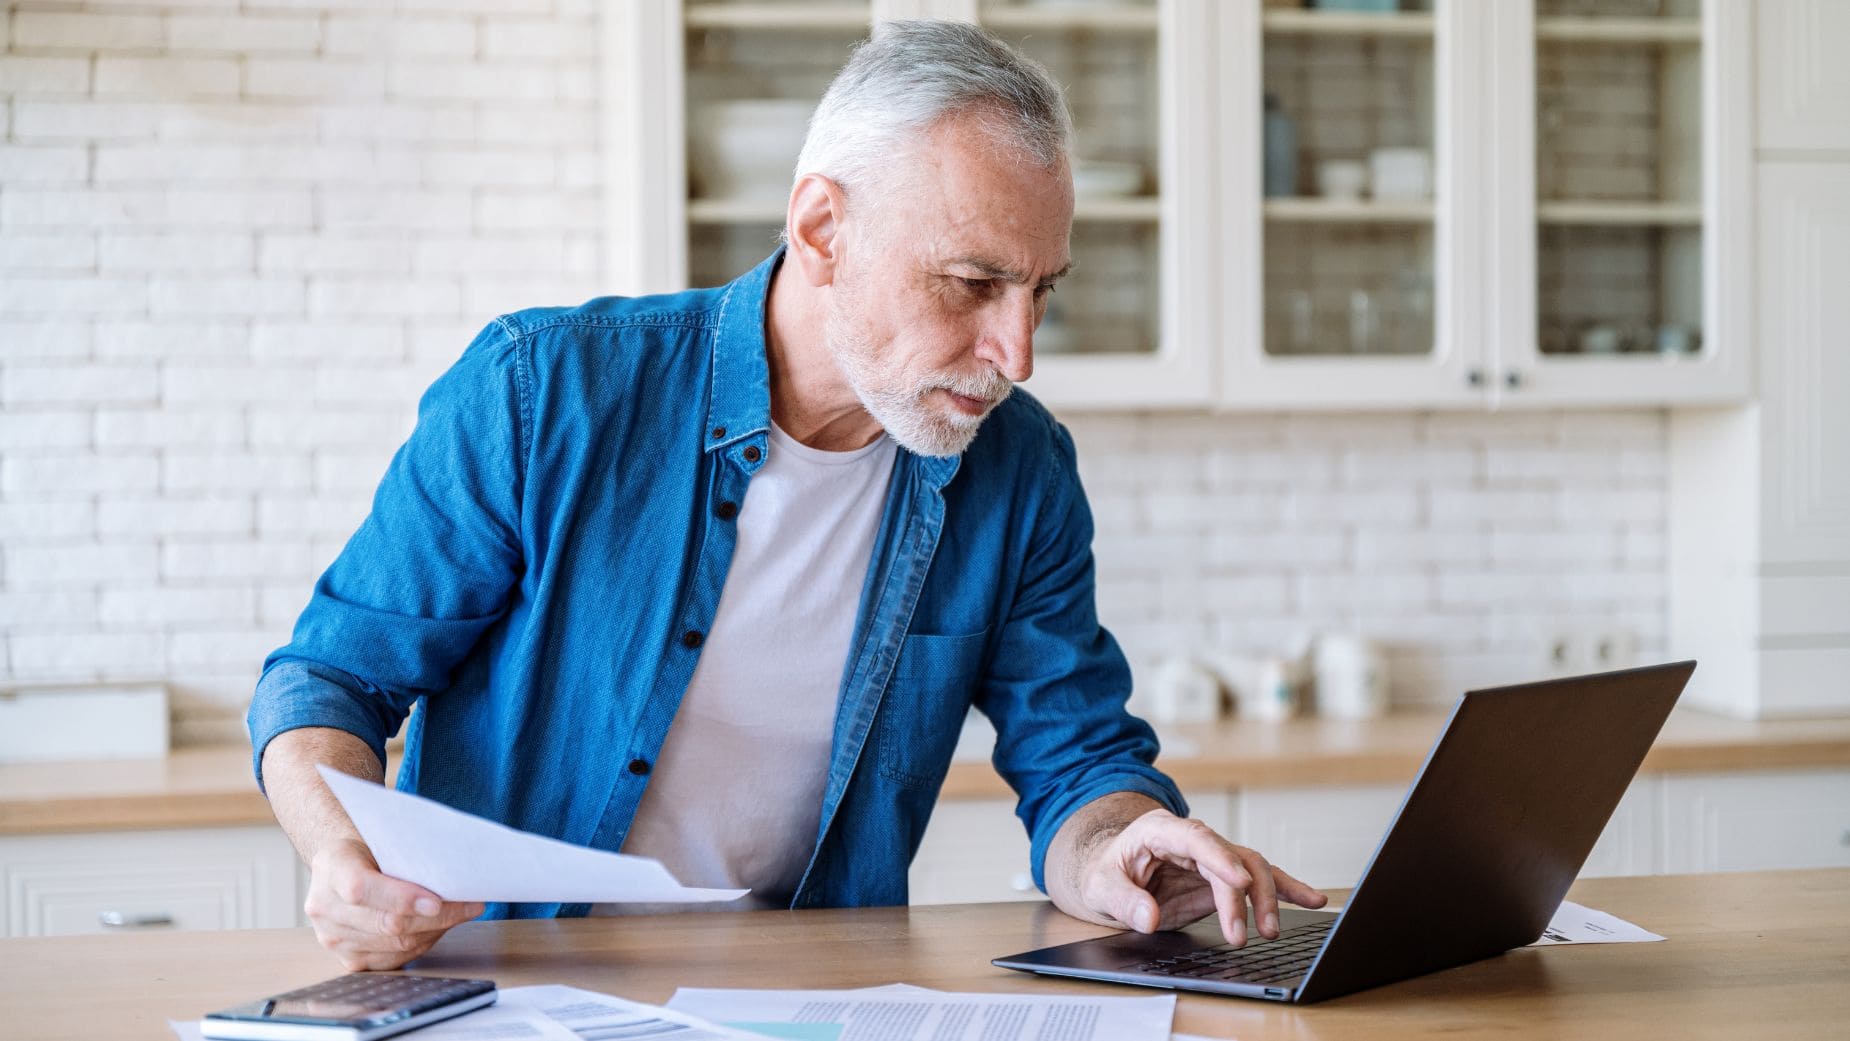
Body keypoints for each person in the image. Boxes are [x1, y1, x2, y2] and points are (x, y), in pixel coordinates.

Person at [249, 20, 1326, 971]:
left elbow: (1075, 752)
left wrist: (1115, 848)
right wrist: (342, 853)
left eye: (1039, 291)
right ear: (820, 232)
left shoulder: (1019, 466)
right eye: (972, 284)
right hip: (515, 980)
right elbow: (331, 679)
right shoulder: (544, 392)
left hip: (809, 996)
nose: (1017, 353)